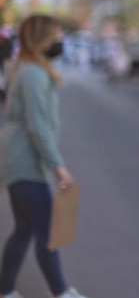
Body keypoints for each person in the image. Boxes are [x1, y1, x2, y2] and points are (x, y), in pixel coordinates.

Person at [0, 15, 88, 298]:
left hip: (20, 160)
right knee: (48, 231)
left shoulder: (26, 69)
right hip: (25, 162)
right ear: (41, 40)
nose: (60, 41)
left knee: (25, 229)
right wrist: (58, 167)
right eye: (56, 36)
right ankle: (62, 292)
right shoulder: (33, 74)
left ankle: (6, 290)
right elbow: (37, 126)